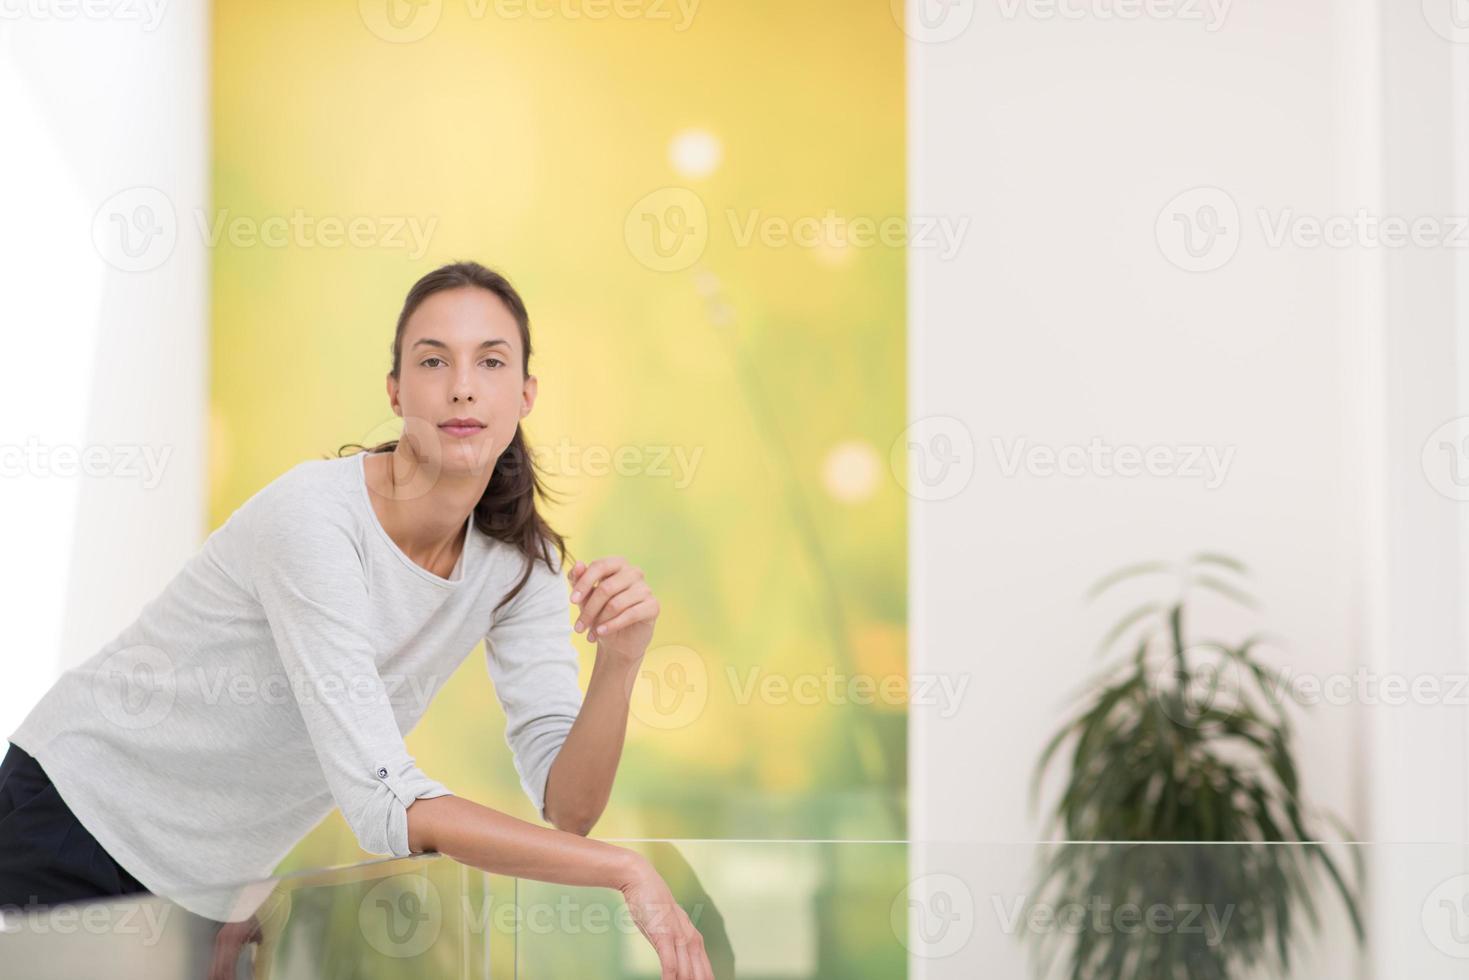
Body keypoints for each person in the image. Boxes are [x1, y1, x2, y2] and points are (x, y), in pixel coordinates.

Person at [0, 260, 713, 979]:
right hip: (72, 820)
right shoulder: (314, 520)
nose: (462, 384)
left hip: (203, 893)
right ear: (396, 391)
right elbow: (381, 798)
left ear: (526, 393)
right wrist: (623, 870)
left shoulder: (520, 564)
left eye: (490, 361)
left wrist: (619, 662)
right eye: (434, 361)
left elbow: (568, 806)